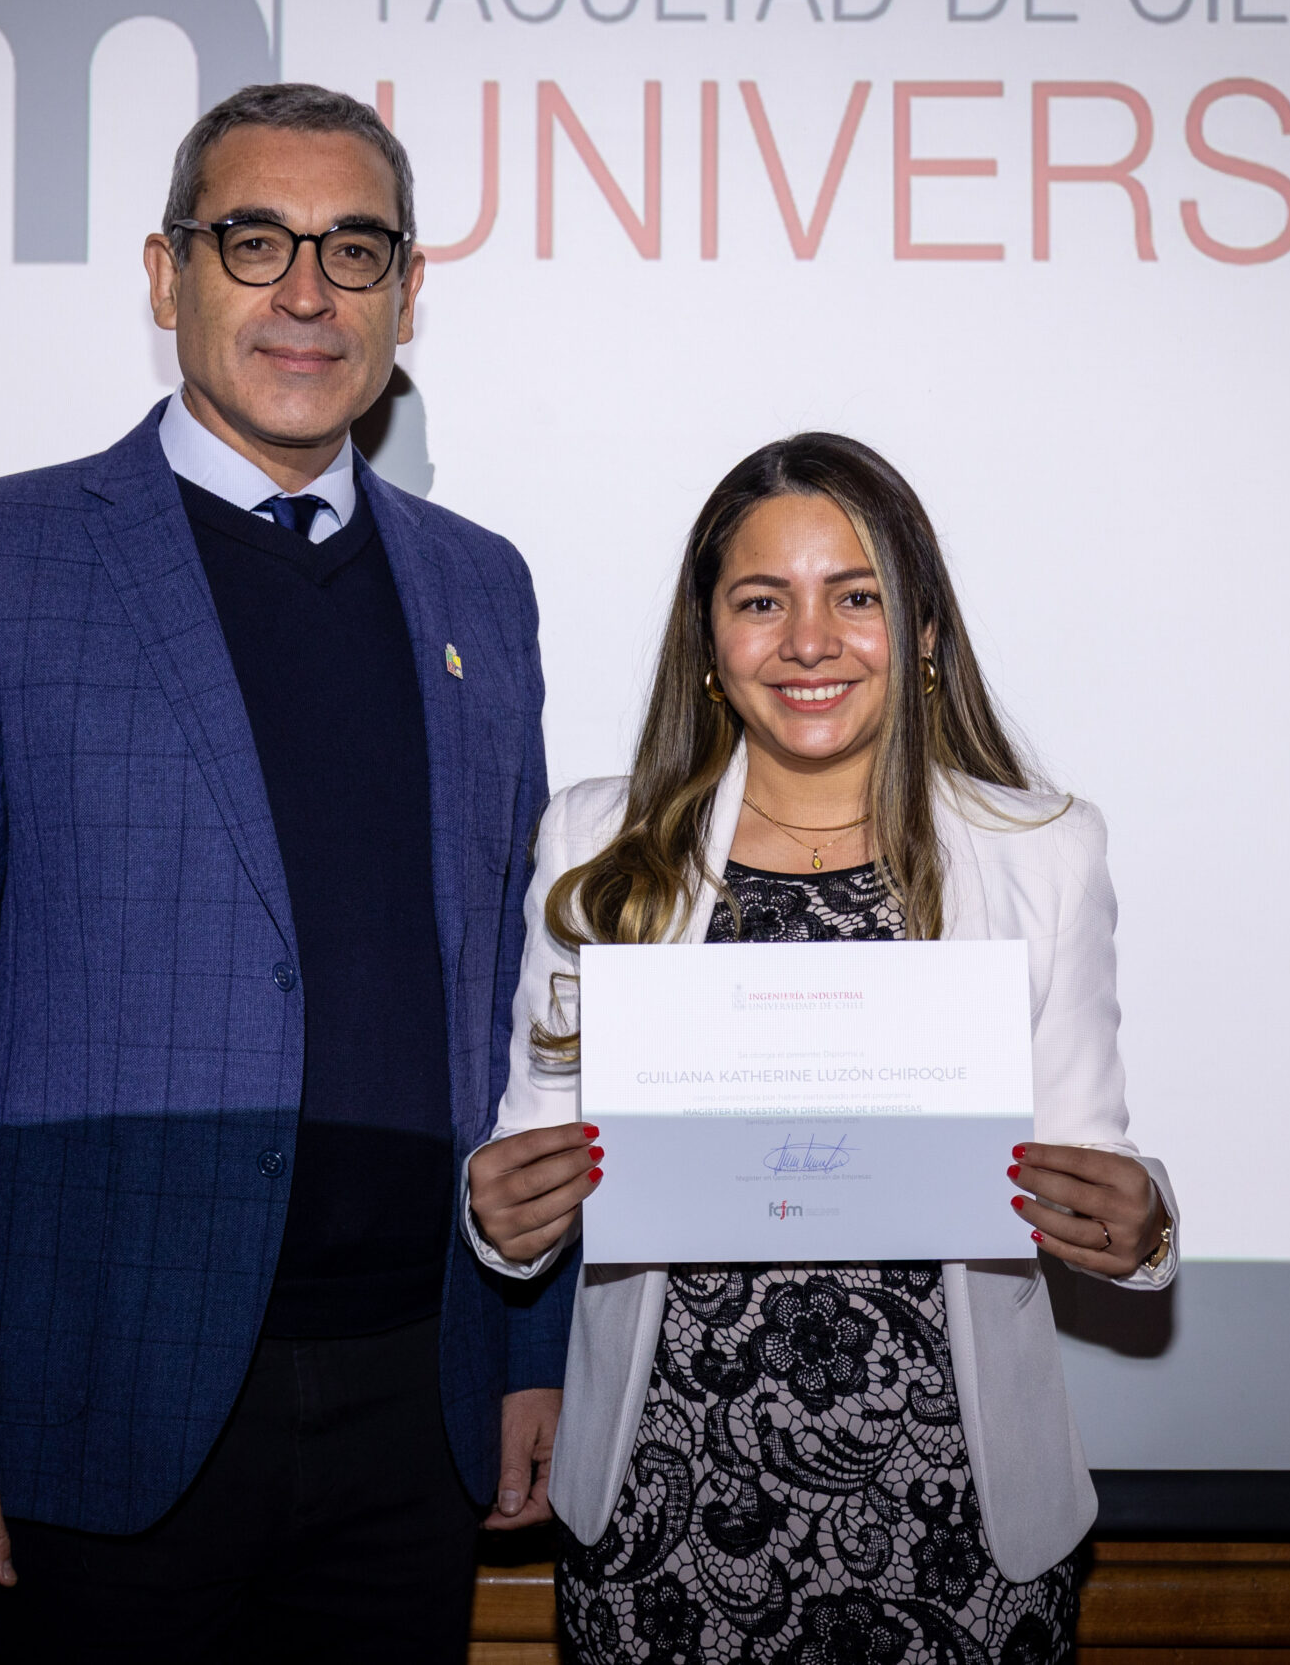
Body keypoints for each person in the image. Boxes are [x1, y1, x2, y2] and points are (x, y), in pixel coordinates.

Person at [0, 84, 568, 1662]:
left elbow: (524, 1008)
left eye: (352, 249)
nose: (307, 291)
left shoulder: (482, 588)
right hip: (90, 1405)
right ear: (168, 276)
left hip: (414, 1400)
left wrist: (529, 1346)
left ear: (408, 292)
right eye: (254, 242)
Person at [466, 434, 1179, 1663]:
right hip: (663, 1507)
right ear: (708, 642)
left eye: (855, 597)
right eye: (761, 602)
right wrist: (499, 1214)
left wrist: (1142, 1226)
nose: (809, 642)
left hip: (956, 1518)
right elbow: (528, 1154)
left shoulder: (1043, 850)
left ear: (922, 631)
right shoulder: (597, 841)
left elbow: (1088, 1159)